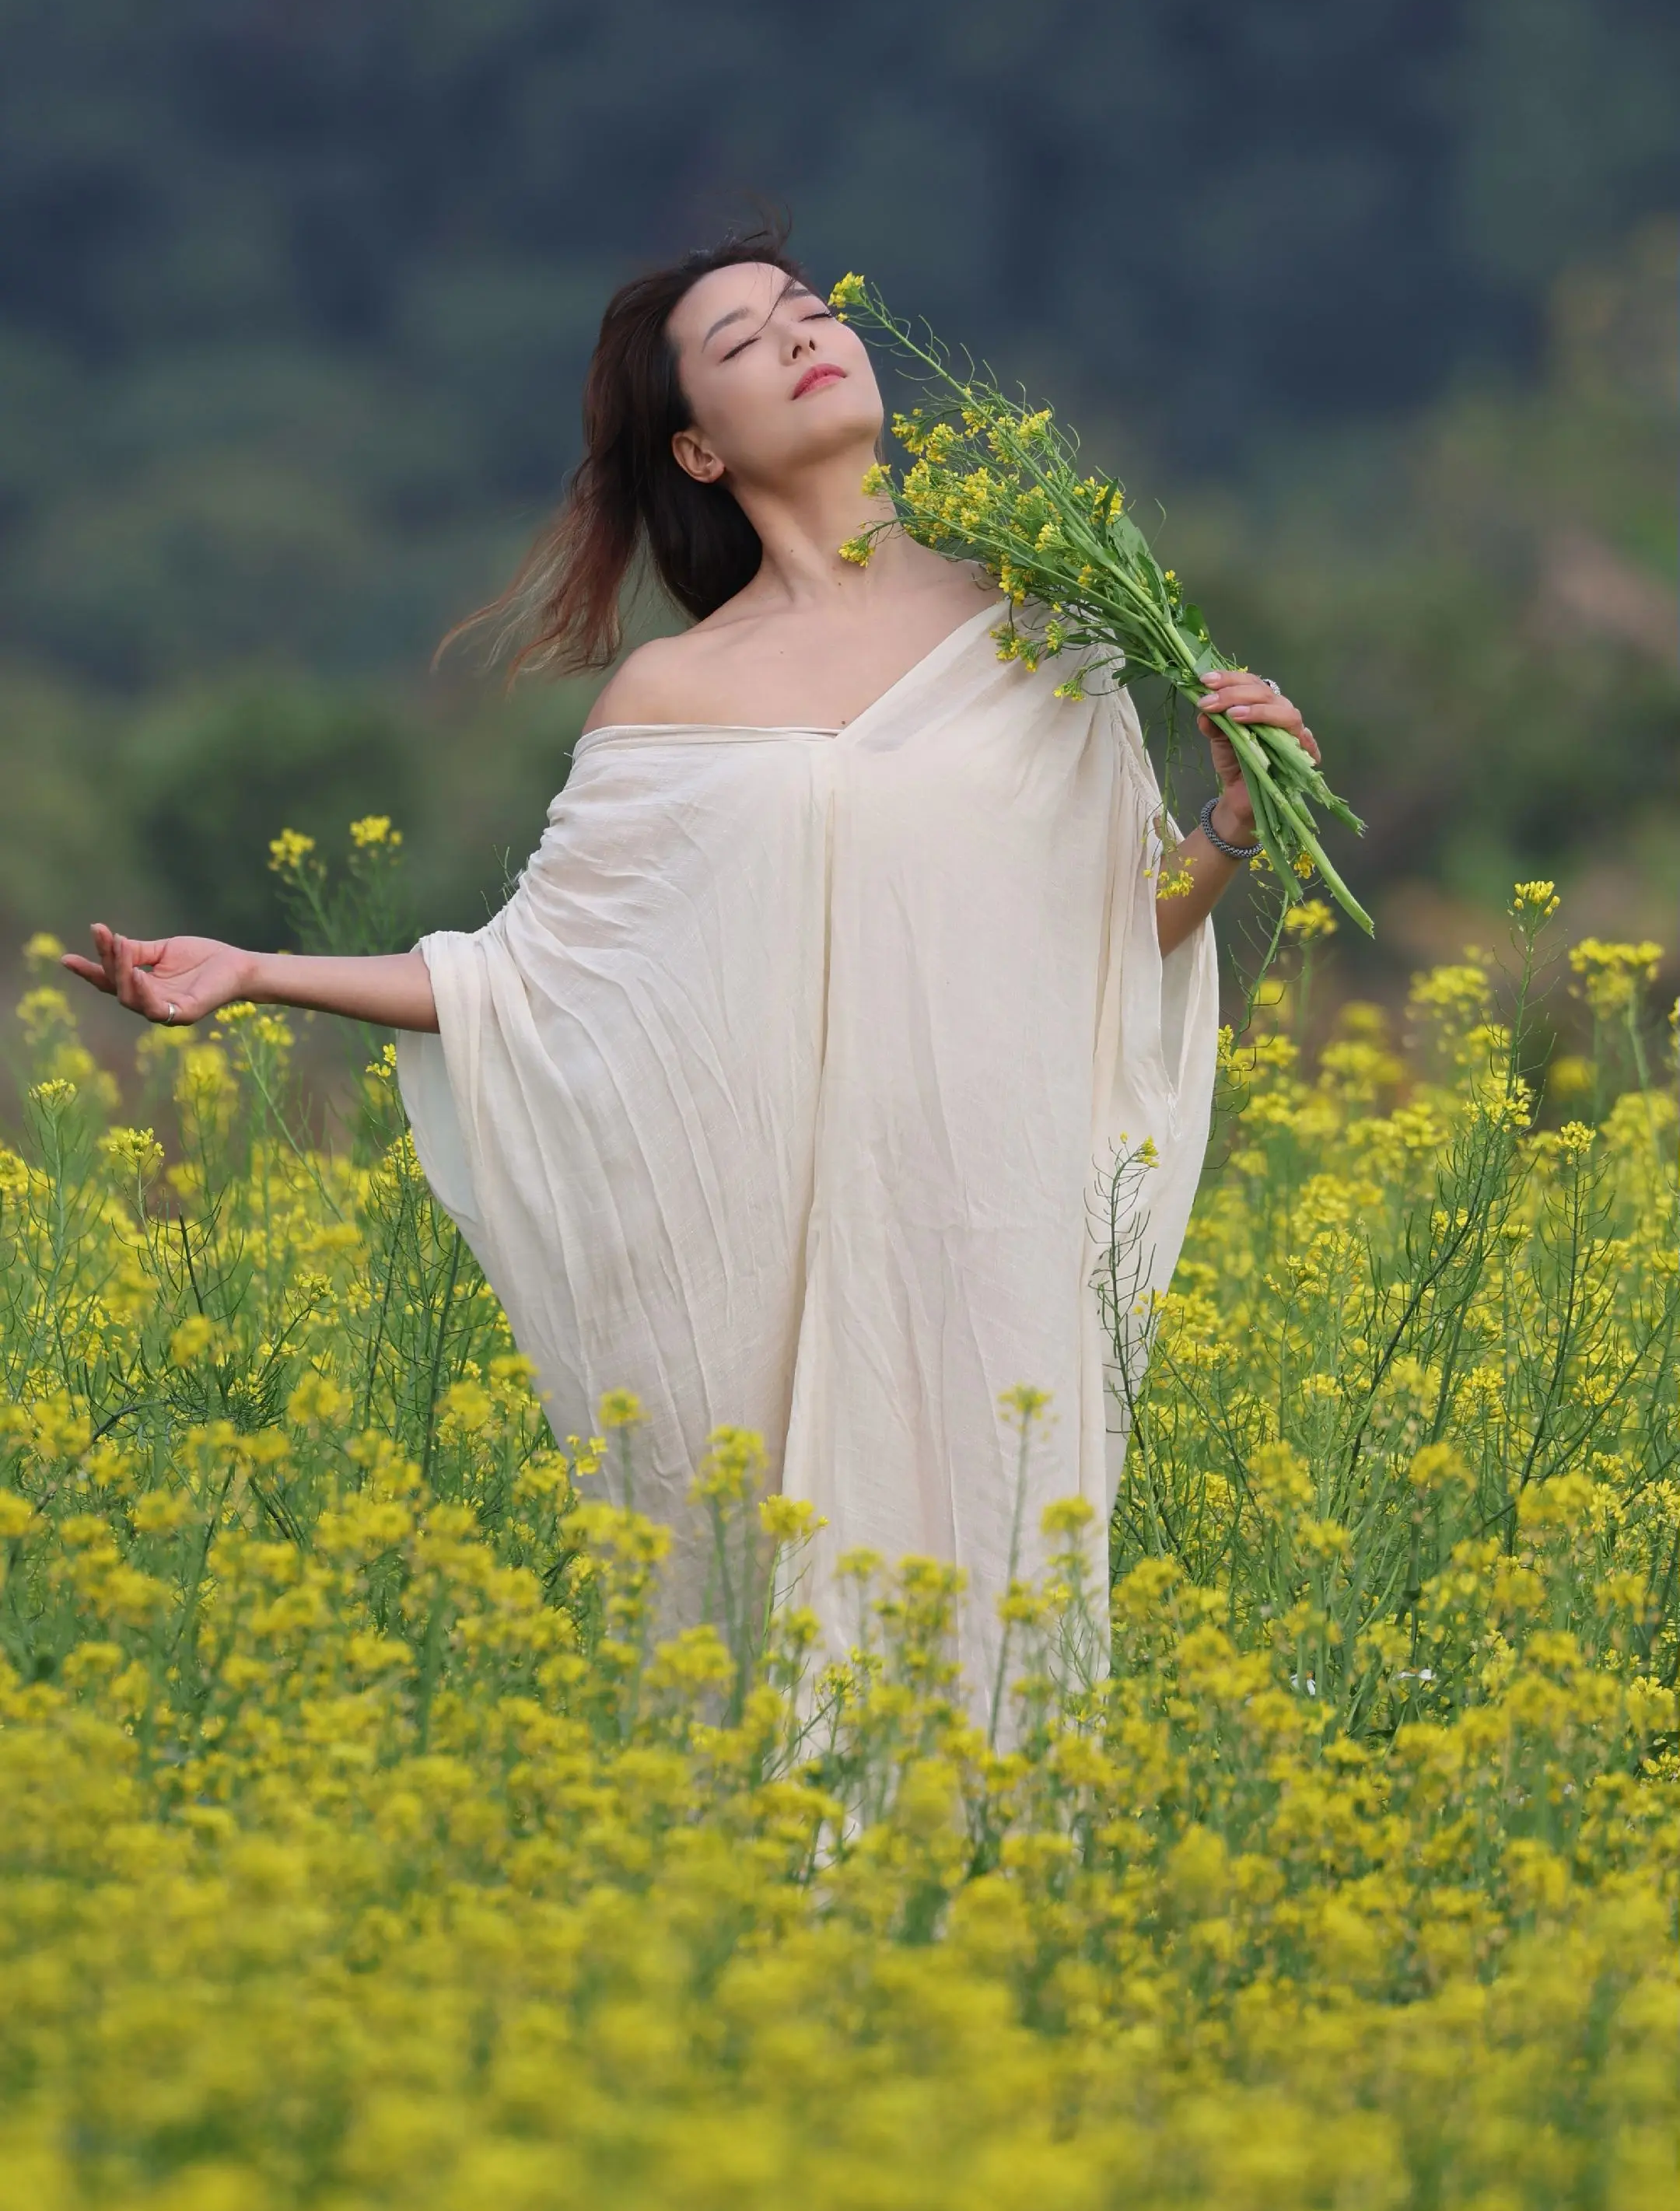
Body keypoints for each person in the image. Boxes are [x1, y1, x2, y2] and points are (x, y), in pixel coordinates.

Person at [65, 224, 1321, 1708]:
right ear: (699, 451)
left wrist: (1232, 828)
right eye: (745, 343)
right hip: (781, 1266)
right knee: (788, 1661)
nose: (805, 337)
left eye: (809, 313)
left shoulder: (1048, 624)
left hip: (985, 1232)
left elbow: (1107, 936)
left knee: (1001, 1658)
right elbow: (533, 985)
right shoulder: (670, 696)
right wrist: (258, 970)